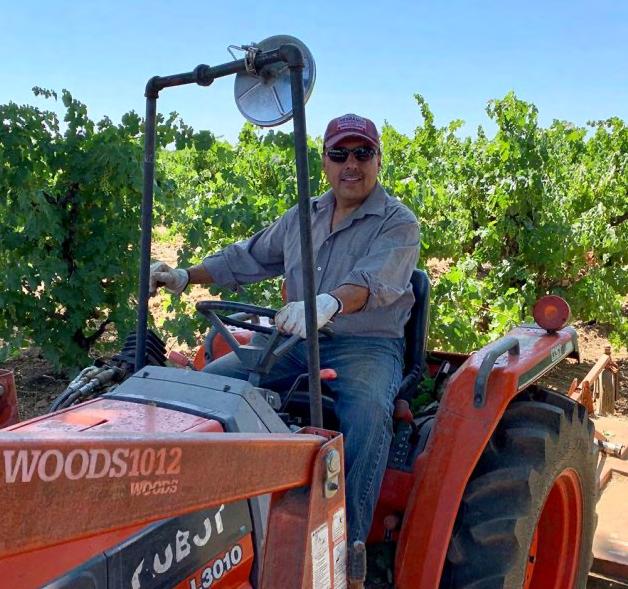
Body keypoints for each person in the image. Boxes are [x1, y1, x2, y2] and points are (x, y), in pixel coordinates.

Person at [150, 113, 420, 562]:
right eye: (339, 154)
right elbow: (247, 257)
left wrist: (327, 304)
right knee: (210, 387)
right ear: (325, 161)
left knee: (369, 414)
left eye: (362, 153)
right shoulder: (303, 216)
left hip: (366, 344)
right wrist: (184, 276)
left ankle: (346, 550)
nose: (351, 164)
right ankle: (199, 519)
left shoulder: (397, 222)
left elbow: (374, 281)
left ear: (378, 159)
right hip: (295, 342)